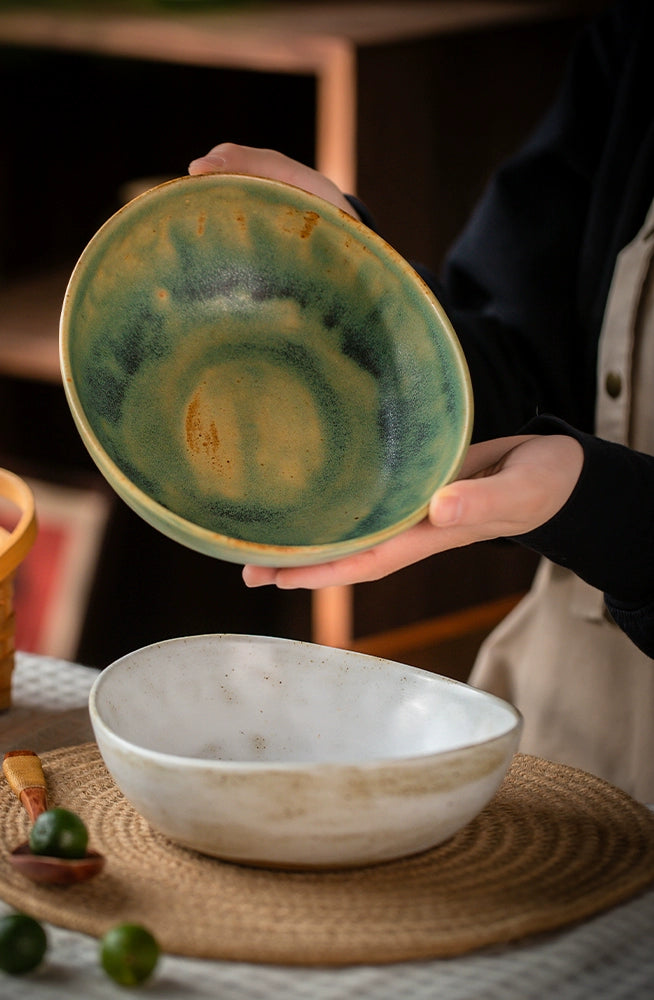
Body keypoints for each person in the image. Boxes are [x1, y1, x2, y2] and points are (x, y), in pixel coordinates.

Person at [188, 0, 654, 801]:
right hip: (577, 742)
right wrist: (362, 295)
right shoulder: (637, 47)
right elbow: (521, 371)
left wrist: (601, 507)